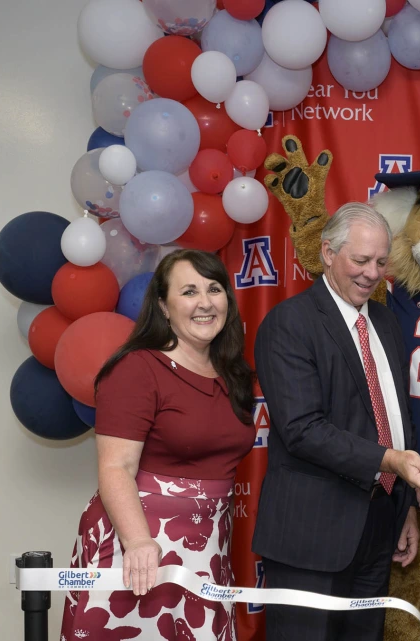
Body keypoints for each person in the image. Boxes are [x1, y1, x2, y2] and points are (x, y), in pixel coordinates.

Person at [252, 202, 420, 641]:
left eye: (380, 261)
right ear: (328, 253)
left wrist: (404, 509)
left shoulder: (387, 323)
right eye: (360, 260)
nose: (372, 273)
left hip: (377, 528)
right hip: (311, 535)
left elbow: (396, 415)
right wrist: (390, 461)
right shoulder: (289, 323)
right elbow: (302, 429)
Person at [60, 249, 257, 641]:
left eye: (214, 289)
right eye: (188, 292)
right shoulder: (136, 368)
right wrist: (137, 542)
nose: (204, 303)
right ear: (164, 307)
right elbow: (116, 468)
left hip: (206, 548)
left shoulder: (233, 375)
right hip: (137, 545)